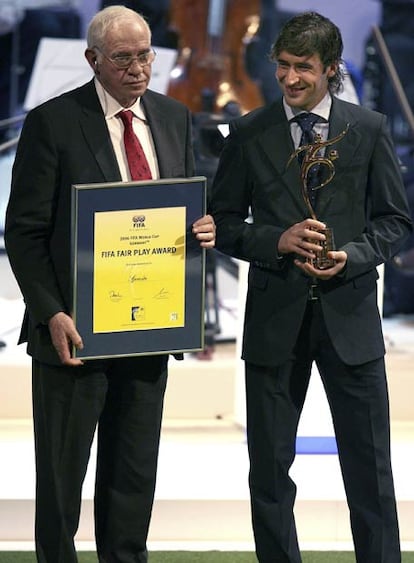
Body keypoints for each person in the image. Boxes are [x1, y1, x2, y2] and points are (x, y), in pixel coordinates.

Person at [5, 5, 215, 563]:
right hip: (72, 334)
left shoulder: (174, 116)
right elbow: (22, 233)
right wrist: (51, 312)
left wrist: (204, 225)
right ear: (92, 59)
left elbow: (188, 207)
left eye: (145, 54)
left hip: (148, 330)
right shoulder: (52, 122)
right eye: (123, 58)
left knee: (132, 475)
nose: (138, 68)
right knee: (62, 478)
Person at [209, 11, 412, 563]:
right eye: (283, 66)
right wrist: (278, 240)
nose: (291, 78)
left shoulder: (367, 129)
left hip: (351, 323)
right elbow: (222, 223)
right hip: (276, 324)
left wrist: (352, 257)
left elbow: (396, 221)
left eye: (304, 68)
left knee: (370, 472)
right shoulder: (250, 133)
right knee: (270, 472)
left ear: (332, 69)